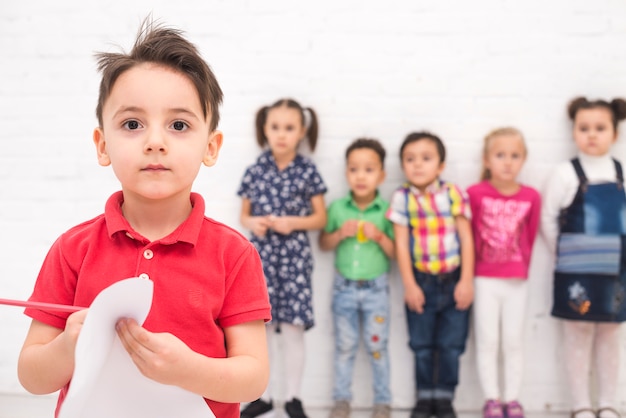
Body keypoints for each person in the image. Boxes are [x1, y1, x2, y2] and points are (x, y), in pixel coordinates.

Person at [16, 20, 272, 418]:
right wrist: (69, 345)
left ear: (211, 146)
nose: (155, 141)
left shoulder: (234, 254)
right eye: (132, 124)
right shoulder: (72, 249)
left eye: (179, 125)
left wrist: (188, 370)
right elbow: (32, 377)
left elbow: (254, 377)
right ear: (103, 145)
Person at [237, 98, 327, 418]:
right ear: (265, 129)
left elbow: (320, 218)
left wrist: (293, 223)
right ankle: (261, 396)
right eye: (275, 127)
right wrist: (254, 222)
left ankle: (292, 397)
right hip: (261, 257)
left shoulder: (307, 171)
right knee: (260, 328)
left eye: (289, 128)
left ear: (301, 131)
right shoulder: (256, 170)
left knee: (292, 328)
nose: (281, 135)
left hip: (294, 258)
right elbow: (244, 214)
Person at [541, 97, 626, 418]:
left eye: (600, 128)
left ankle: (608, 403)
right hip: (575, 272)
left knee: (610, 337)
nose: (592, 135)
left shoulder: (621, 172)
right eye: (584, 128)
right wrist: (564, 255)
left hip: (615, 273)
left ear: (614, 134)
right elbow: (548, 219)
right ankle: (580, 406)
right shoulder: (565, 173)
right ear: (574, 131)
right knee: (577, 336)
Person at [386, 132, 474, 418]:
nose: (418, 165)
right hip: (421, 281)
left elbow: (466, 237)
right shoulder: (401, 198)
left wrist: (466, 280)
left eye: (426, 158)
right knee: (421, 344)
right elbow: (400, 243)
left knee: (451, 345)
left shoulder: (452, 193)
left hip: (453, 280)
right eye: (410, 159)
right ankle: (425, 397)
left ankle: (444, 398)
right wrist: (409, 284)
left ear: (440, 165)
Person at [467, 128, 541, 418]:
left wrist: (520, 266)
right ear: (487, 160)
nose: (507, 162)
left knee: (513, 341)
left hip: (515, 280)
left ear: (523, 160)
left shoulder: (531, 197)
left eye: (514, 156)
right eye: (500, 155)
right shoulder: (475, 193)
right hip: (485, 278)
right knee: (487, 340)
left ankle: (512, 399)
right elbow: (469, 236)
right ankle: (491, 399)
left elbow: (531, 236)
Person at [319, 138, 396, 418]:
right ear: (346, 173)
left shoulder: (387, 210)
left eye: (369, 169)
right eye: (354, 169)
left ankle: (382, 403)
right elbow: (324, 244)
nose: (361, 176)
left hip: (376, 289)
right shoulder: (338, 208)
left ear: (382, 175)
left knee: (378, 347)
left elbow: (396, 253)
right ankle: (341, 401)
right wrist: (340, 233)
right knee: (344, 347)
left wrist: (380, 236)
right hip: (344, 289)